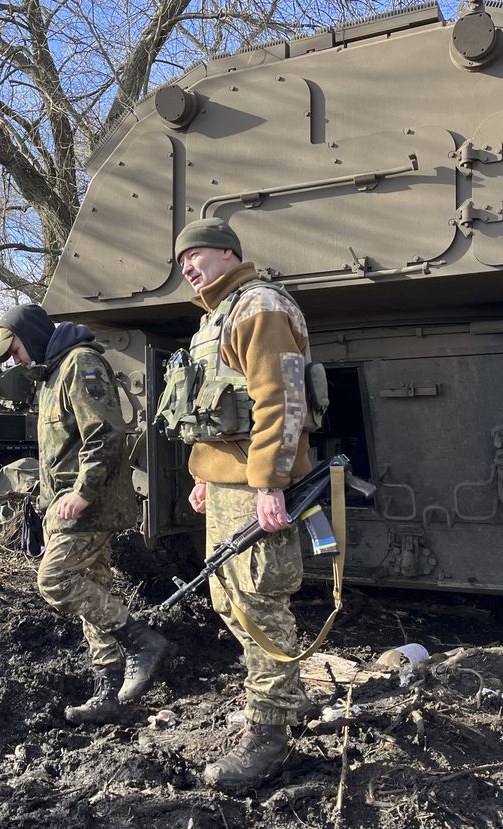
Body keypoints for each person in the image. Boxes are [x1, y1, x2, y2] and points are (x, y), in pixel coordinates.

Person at [171, 217, 313, 790]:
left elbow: (280, 398)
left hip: (255, 485)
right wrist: (204, 474)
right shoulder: (216, 317)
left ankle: (269, 734)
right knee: (228, 600)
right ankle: (281, 697)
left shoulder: (259, 306)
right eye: (181, 260)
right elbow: (210, 411)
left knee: (259, 604)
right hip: (228, 484)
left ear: (228, 253)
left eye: (196, 254)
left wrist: (269, 481)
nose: (187, 266)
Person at [0, 304, 170, 724]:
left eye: (15, 350)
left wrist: (83, 492)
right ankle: (108, 690)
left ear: (31, 337)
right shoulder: (51, 375)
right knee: (93, 591)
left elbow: (105, 433)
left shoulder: (80, 364)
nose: (15, 360)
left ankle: (142, 641)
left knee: (54, 580)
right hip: (65, 506)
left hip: (87, 506)